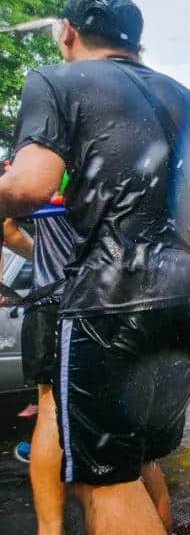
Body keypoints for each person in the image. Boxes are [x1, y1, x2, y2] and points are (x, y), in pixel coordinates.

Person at [1, 0, 190, 533]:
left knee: (103, 481)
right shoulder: (183, 96)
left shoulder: (55, 80)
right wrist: (186, 198)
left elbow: (30, 186)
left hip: (110, 296)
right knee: (141, 458)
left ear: (67, 33)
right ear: (136, 44)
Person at [10, 207, 75, 535]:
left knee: (49, 412)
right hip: (107, 300)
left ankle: (50, 530)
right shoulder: (118, 160)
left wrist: (44, 254)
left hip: (51, 301)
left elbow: (7, 228)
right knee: (118, 418)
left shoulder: (42, 167)